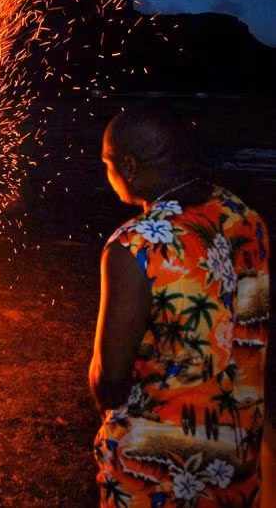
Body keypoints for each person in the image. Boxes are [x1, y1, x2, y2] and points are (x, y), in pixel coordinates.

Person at [90, 106, 272, 507]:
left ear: (129, 166)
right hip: (236, 454)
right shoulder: (244, 217)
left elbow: (110, 380)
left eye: (107, 163)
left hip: (158, 465)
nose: (107, 174)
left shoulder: (134, 245)